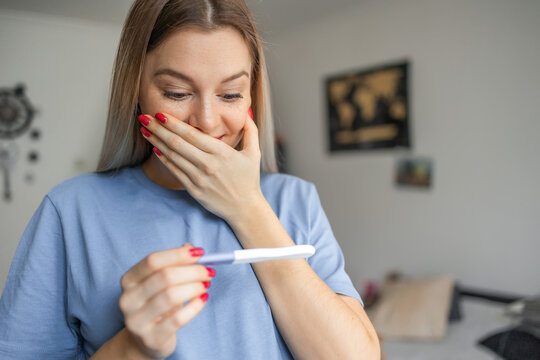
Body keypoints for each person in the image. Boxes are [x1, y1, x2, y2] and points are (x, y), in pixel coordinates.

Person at [0, 0, 380, 359]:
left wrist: (247, 208)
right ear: (136, 91)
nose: (209, 122)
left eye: (230, 94)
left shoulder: (295, 200)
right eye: (177, 93)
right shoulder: (71, 211)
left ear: (252, 95)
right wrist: (134, 346)